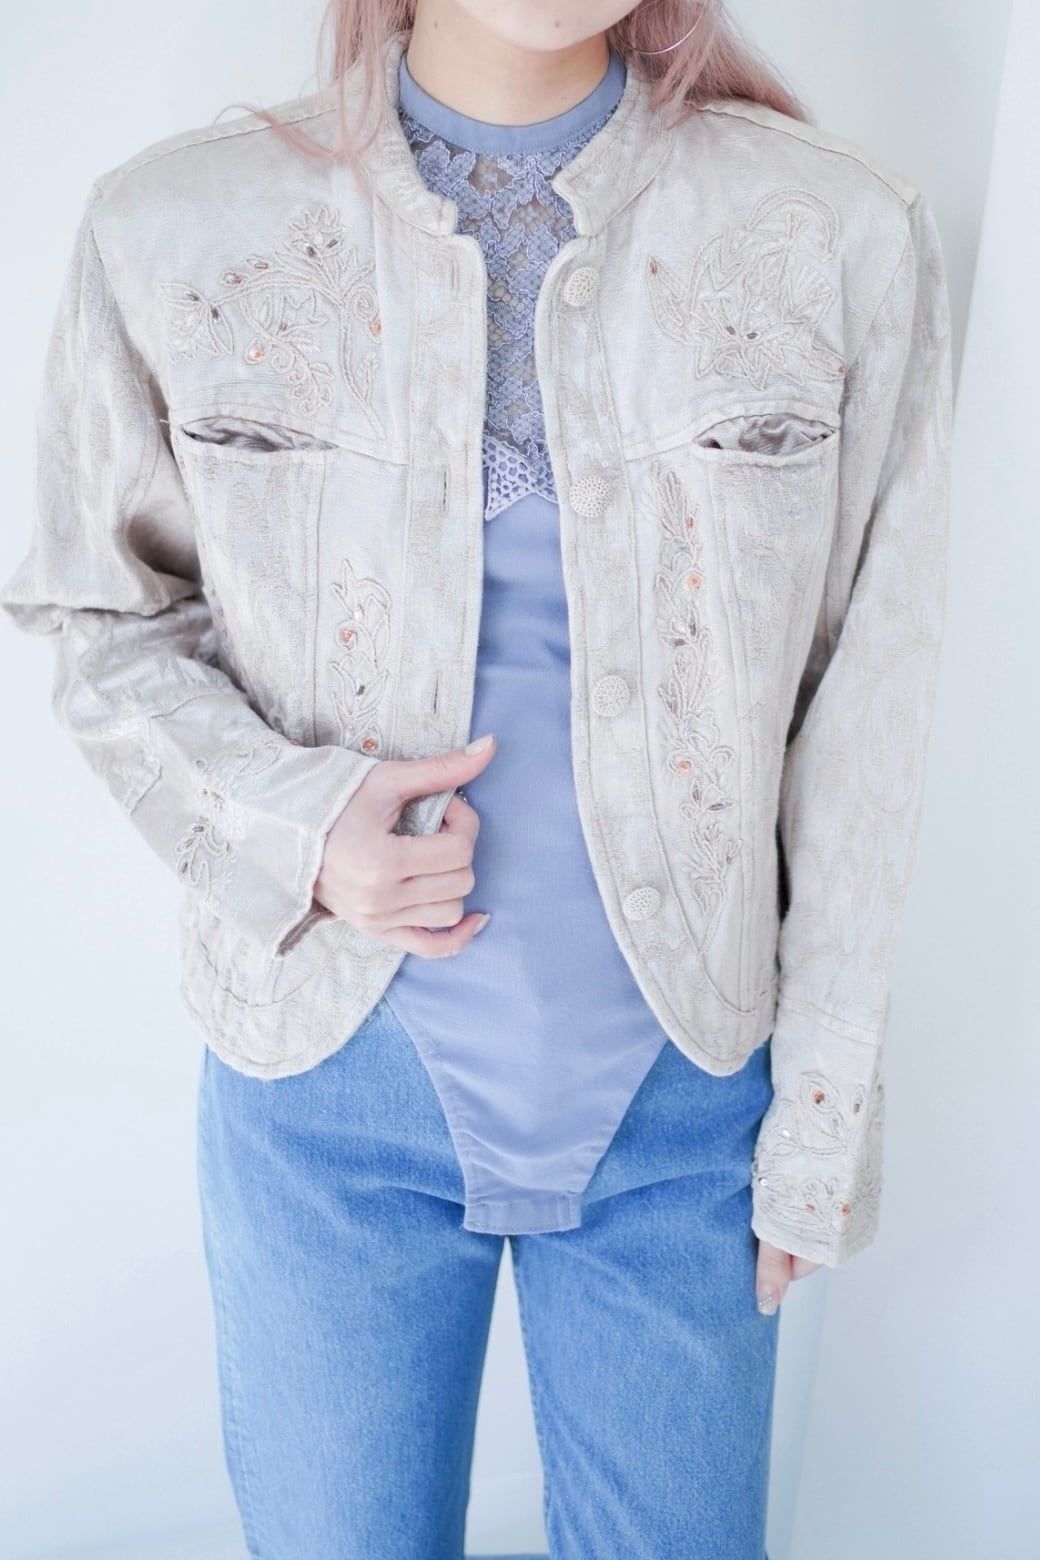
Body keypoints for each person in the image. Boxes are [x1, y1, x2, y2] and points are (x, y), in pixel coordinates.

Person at [0, 1, 952, 1555]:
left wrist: (824, 1117)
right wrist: (302, 827)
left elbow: (870, 710)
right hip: (324, 1089)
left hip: (688, 1108)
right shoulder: (176, 228)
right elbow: (97, 619)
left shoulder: (835, 234)